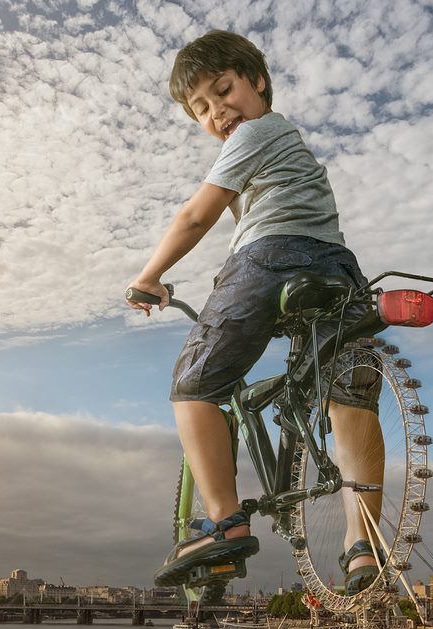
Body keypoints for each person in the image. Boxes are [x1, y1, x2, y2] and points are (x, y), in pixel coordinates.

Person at [125, 30, 384, 593]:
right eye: (202, 108)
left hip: (266, 259)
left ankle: (222, 519)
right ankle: (361, 547)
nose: (218, 111)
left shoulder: (257, 131)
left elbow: (196, 215)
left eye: (224, 90)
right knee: (350, 396)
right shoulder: (286, 144)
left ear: (258, 82)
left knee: (193, 386)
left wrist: (149, 276)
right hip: (338, 268)